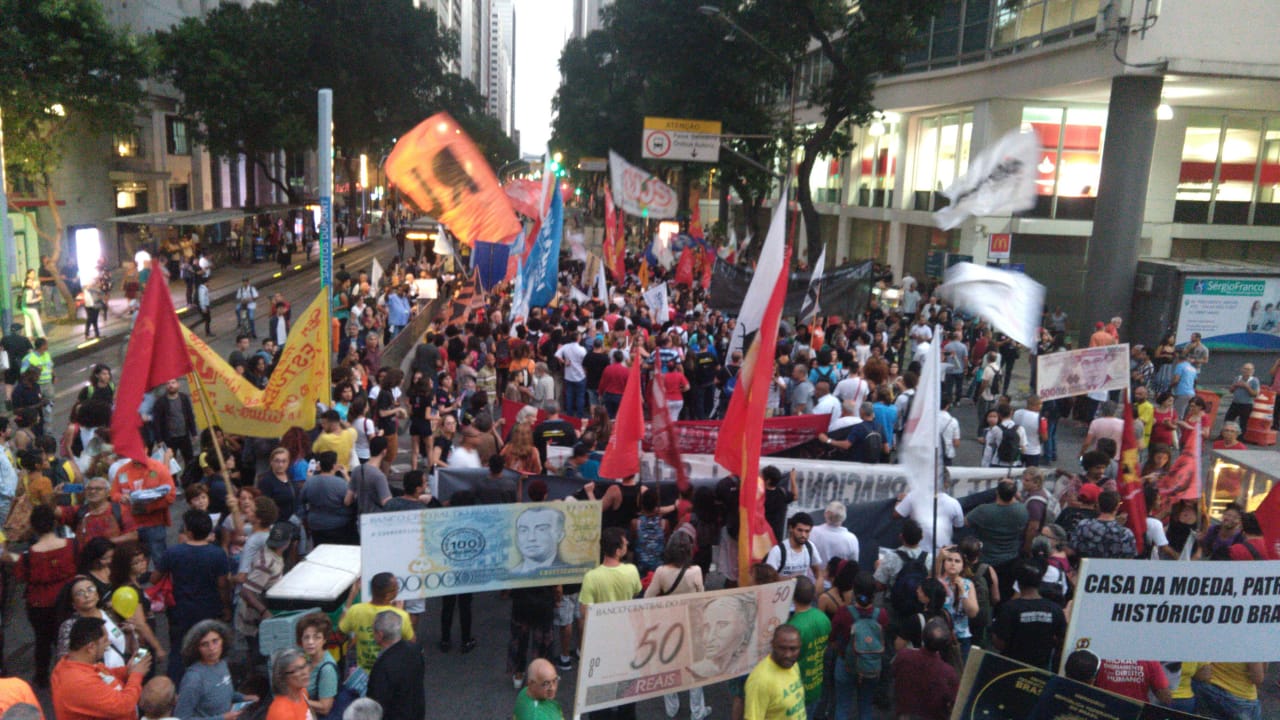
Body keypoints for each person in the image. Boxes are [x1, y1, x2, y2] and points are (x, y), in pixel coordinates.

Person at [4, 504, 77, 686]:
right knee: (66, 639)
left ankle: (42, 677)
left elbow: (20, 577)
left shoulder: (29, 556)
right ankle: (69, 674)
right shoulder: (71, 546)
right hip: (66, 600)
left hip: (38, 604)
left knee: (42, 641)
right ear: (54, 523)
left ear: (34, 526)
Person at [155, 510, 231, 680]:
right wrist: (226, 607)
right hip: (209, 608)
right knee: (211, 647)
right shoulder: (218, 554)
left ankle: (174, 689)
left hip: (180, 609)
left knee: (178, 650)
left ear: (188, 532)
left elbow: (154, 578)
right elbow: (222, 585)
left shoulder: (173, 552)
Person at [578, 527, 641, 719]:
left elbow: (584, 614)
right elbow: (636, 592)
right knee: (627, 694)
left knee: (599, 696)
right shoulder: (631, 571)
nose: (627, 545)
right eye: (624, 543)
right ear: (617, 549)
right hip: (627, 642)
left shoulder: (591, 577)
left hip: (601, 644)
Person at [642, 534, 707, 718]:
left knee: (668, 666)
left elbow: (648, 597)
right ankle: (697, 711)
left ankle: (672, 708)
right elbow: (701, 597)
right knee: (695, 669)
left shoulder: (661, 572)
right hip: (691, 624)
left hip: (668, 626)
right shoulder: (696, 571)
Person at [51, 617, 152, 720]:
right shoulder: (79, 681)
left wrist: (128, 670)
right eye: (105, 640)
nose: (108, 644)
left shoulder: (76, 664)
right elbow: (123, 706)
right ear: (91, 647)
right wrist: (136, 675)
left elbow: (105, 674)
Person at [990, 560, 1066, 670]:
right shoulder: (1055, 610)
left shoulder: (1009, 608)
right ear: (1040, 582)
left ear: (1018, 583)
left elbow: (999, 644)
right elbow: (1061, 641)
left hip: (1011, 669)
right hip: (1041, 671)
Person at [965, 480, 1028, 603]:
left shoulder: (983, 510)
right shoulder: (1022, 510)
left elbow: (965, 522)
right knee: (1004, 595)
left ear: (997, 492)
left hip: (987, 560)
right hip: (1010, 560)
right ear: (1015, 494)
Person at [338, 572, 415, 673]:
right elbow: (411, 641)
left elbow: (340, 630)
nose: (398, 591)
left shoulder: (356, 610)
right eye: (396, 588)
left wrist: (351, 598)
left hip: (363, 674)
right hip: (390, 672)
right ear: (388, 595)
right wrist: (399, 612)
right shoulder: (400, 616)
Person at [236, 522, 292, 661]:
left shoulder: (273, 553)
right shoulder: (266, 563)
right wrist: (264, 611)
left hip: (260, 612)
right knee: (259, 654)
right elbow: (246, 592)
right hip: (254, 616)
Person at [175, 620, 249, 720]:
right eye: (204, 644)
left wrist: (243, 698)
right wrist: (222, 718)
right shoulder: (193, 678)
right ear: (196, 648)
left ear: (223, 640)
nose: (212, 648)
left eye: (215, 641)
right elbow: (182, 717)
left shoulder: (222, 663)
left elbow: (222, 691)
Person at [891, 618, 959, 720]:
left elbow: (894, 674)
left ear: (923, 636)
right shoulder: (948, 673)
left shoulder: (903, 656)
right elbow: (954, 702)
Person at [366, 611, 425, 720]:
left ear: (380, 635)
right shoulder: (415, 649)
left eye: (373, 630)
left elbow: (376, 703)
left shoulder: (382, 667)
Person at [786, 578, 831, 719]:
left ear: (793, 596)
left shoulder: (793, 627)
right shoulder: (823, 618)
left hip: (795, 691)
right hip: (816, 686)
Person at [742, 625, 805, 720]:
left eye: (793, 649)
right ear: (773, 645)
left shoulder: (793, 665)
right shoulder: (760, 681)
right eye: (782, 648)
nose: (788, 655)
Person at [300, 451, 357, 546]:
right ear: (334, 465)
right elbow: (353, 496)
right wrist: (346, 475)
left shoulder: (310, 482)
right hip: (339, 526)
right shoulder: (341, 483)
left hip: (316, 525)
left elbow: (302, 499)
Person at [1070, 490, 1136, 559]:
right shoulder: (1125, 533)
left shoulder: (1083, 526)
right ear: (1117, 507)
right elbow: (1129, 559)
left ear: (1098, 505)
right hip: (1113, 569)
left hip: (1087, 568)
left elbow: (1073, 549)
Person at [763, 512, 824, 584]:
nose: (803, 535)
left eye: (807, 531)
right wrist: (794, 579)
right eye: (800, 530)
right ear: (791, 528)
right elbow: (768, 579)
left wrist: (818, 586)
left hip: (802, 592)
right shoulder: (777, 551)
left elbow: (818, 572)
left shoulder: (810, 547)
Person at [514, 505, 568, 574]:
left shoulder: (571, 574)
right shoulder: (509, 575)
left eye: (541, 529)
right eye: (523, 530)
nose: (531, 538)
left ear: (559, 536)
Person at [809, 500, 860, 569]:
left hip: (812, 578)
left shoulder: (811, 532)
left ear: (826, 514)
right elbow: (853, 565)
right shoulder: (852, 539)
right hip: (838, 579)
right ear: (844, 517)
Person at [266, 648, 312, 720]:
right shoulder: (281, 712)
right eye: (296, 670)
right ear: (282, 677)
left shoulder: (303, 692)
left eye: (304, 666)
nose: (305, 672)